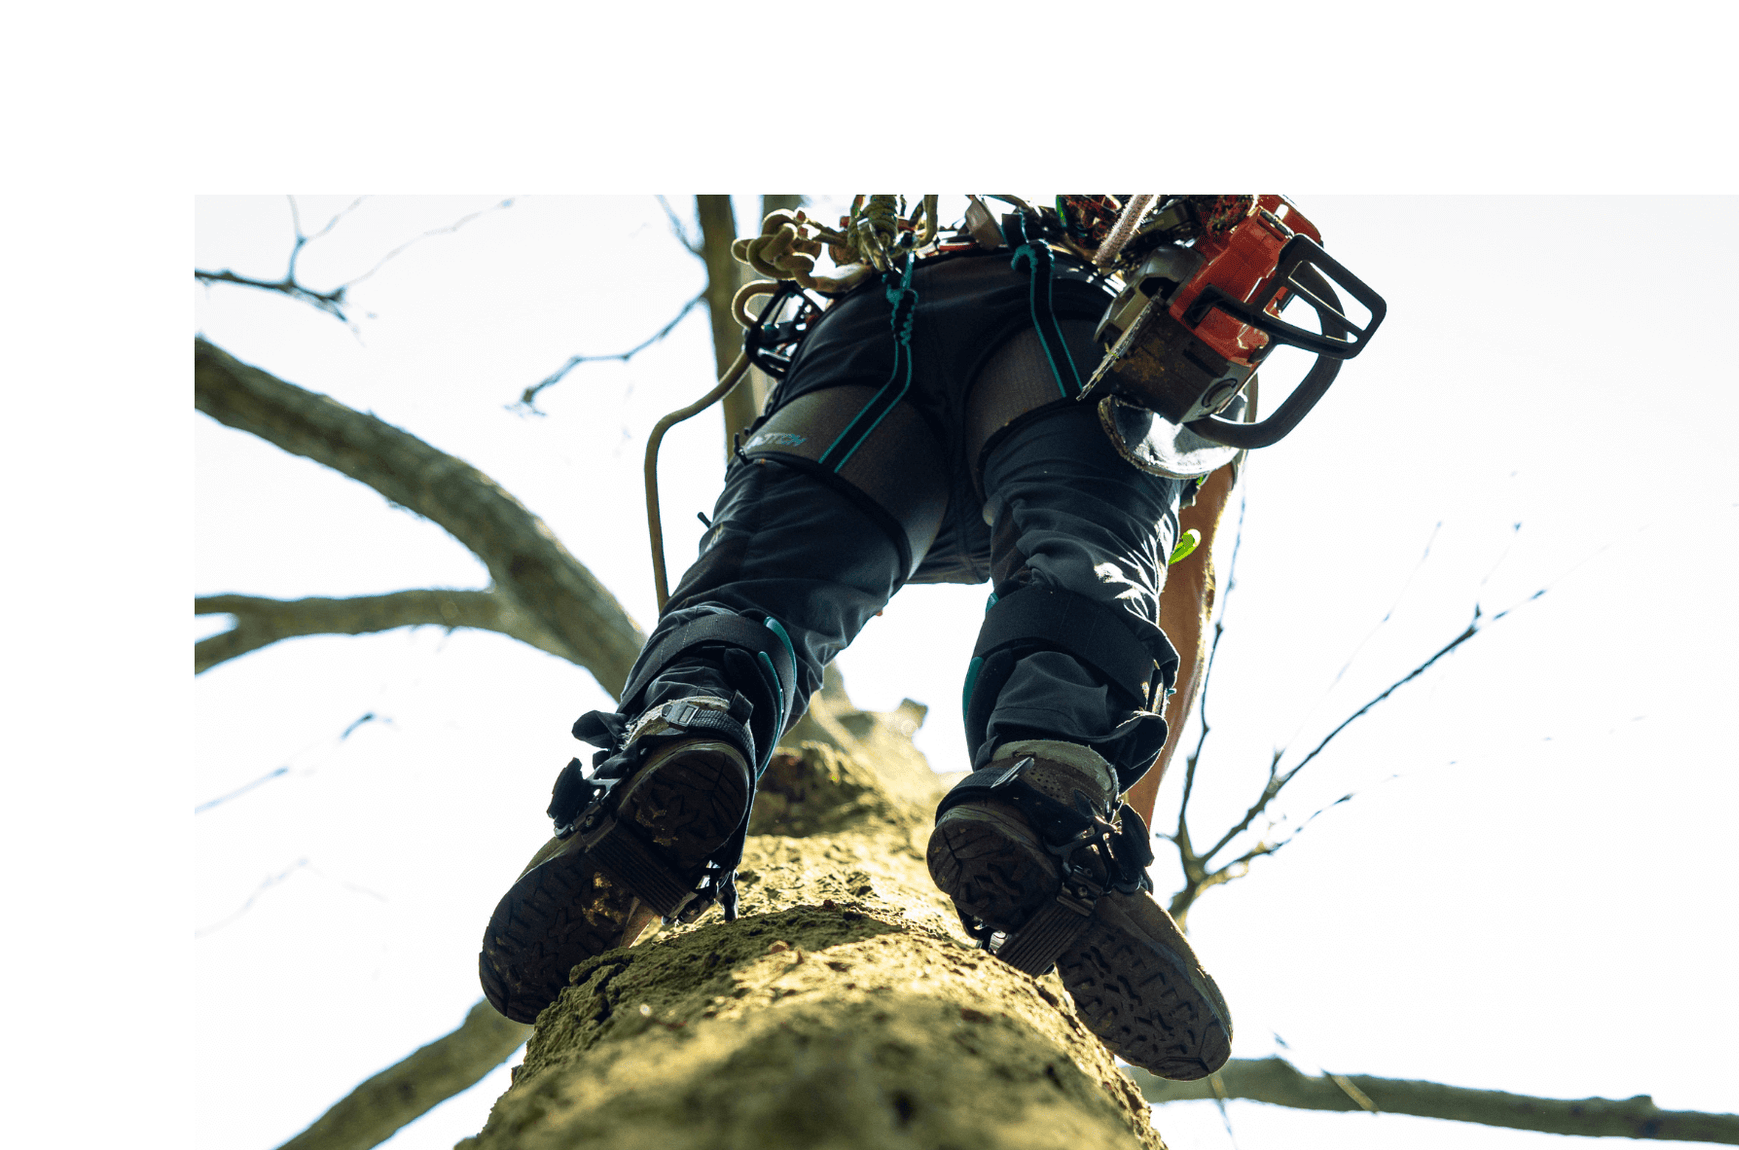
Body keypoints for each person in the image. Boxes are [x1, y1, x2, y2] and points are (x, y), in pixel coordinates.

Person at [479, 196, 1242, 1079]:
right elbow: (1188, 574)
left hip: (873, 330)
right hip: (1073, 332)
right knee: (1084, 556)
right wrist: (1123, 827)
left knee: (763, 572)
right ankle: (1053, 784)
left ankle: (687, 723)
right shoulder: (1183, 251)